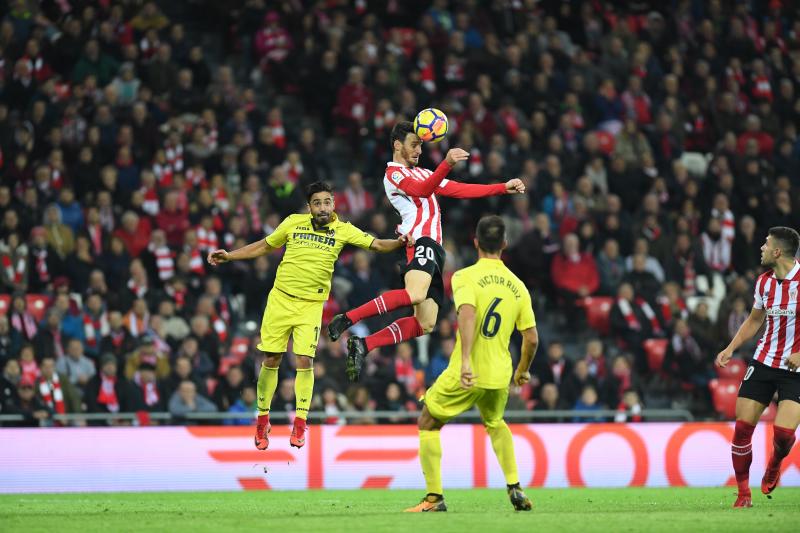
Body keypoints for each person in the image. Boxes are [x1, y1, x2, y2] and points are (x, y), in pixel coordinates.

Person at [207, 181, 412, 451]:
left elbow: (375, 245)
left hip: (311, 306)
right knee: (271, 358)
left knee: (304, 360)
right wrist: (230, 256)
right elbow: (265, 246)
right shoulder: (293, 223)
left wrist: (398, 243)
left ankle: (300, 422)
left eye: (327, 202)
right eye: (317, 203)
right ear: (309, 207)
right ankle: (263, 420)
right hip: (280, 299)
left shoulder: (344, 230)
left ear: (334, 204)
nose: (323, 207)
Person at [327, 121, 525, 380]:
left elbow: (458, 189)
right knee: (415, 293)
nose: (419, 149)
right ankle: (348, 318)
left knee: (426, 323)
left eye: (421, 144)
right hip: (420, 240)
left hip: (435, 248)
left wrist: (501, 187)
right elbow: (420, 190)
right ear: (398, 145)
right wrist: (447, 163)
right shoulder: (394, 174)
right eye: (414, 144)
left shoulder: (425, 173)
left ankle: (364, 344)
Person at [404, 216, 537, 512]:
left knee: (427, 421)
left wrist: (465, 361)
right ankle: (514, 486)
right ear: (504, 244)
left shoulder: (465, 276)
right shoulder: (518, 286)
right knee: (495, 422)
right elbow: (531, 338)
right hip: (499, 375)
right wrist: (523, 370)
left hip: (468, 371)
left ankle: (434, 498)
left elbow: (467, 314)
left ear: (475, 243)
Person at [715, 226, 800, 508]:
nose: (761, 248)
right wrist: (730, 348)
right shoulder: (763, 282)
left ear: (778, 251)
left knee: (784, 436)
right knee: (741, 429)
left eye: (766, 244)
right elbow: (754, 320)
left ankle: (776, 462)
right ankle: (743, 494)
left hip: (796, 369)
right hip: (764, 361)